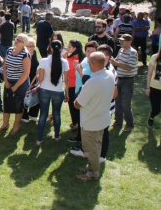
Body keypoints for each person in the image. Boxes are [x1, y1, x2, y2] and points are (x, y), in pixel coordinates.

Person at [73, 52, 115, 181]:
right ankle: (92, 168)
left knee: (90, 150)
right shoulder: (109, 75)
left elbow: (78, 104)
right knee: (96, 147)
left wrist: (76, 100)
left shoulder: (93, 81)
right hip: (102, 118)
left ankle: (93, 174)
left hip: (91, 121)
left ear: (92, 64)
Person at [36, 40, 69, 145]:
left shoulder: (44, 60)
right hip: (58, 91)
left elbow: (40, 79)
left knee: (43, 115)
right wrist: (67, 94)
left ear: (50, 48)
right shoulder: (64, 62)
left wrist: (39, 76)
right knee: (56, 114)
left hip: (44, 90)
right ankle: (57, 136)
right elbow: (66, 80)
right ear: (61, 49)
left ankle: (39, 139)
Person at [0, 34, 30, 134]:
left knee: (18, 104)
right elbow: (4, 66)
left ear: (24, 44)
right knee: (6, 103)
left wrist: (16, 86)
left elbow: (26, 73)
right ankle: (5, 124)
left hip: (21, 83)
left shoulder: (26, 54)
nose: (16, 41)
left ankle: (16, 125)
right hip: (8, 81)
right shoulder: (9, 50)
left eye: (19, 40)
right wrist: (6, 81)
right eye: (16, 39)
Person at [110, 34, 138, 131]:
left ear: (129, 42)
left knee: (126, 103)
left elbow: (129, 68)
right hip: (119, 78)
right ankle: (118, 121)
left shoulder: (133, 53)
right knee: (117, 101)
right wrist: (113, 60)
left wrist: (116, 63)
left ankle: (129, 124)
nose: (121, 42)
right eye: (120, 40)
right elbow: (117, 60)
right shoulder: (121, 50)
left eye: (123, 41)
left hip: (127, 80)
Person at [21, 38, 40, 122]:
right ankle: (24, 115)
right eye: (29, 46)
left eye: (33, 46)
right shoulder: (24, 55)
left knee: (35, 95)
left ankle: (33, 114)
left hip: (34, 78)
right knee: (25, 96)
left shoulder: (34, 53)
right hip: (25, 78)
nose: (32, 48)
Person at [147, 46, 161, 130]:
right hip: (154, 87)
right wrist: (148, 87)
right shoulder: (155, 57)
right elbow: (149, 73)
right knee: (156, 110)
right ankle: (152, 115)